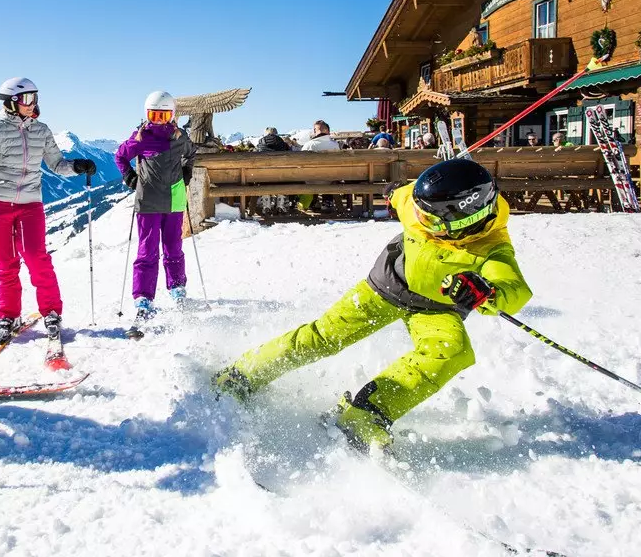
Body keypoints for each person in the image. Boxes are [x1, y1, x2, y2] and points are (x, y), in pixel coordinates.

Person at [212, 159, 532, 454]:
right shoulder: (417, 206)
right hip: (387, 286)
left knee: (450, 352)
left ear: (465, 219)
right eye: (419, 212)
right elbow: (403, 196)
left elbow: (513, 288)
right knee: (325, 334)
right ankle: (244, 374)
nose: (419, 220)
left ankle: (369, 412)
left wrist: (487, 293)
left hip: (436, 307)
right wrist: (393, 192)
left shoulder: (492, 246)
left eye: (430, 220)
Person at [0, 77, 97, 346]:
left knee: (37, 258)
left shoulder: (42, 130)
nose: (33, 103)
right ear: (11, 103)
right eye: (26, 99)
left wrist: (77, 166)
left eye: (35, 97)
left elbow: (56, 164)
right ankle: (8, 316)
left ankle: (51, 312)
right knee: (5, 263)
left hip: (30, 204)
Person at [114, 91, 197, 333]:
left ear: (172, 116)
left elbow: (191, 154)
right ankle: (143, 298)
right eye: (154, 115)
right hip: (148, 201)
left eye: (163, 115)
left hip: (174, 200)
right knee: (147, 251)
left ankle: (177, 289)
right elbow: (120, 156)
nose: (158, 120)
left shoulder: (179, 137)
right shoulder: (140, 137)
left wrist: (186, 170)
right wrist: (129, 176)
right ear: (147, 115)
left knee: (173, 248)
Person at [297, 121, 340, 212]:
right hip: (330, 180)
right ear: (328, 131)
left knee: (308, 176)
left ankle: (313, 201)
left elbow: (300, 164)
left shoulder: (308, 145)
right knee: (330, 175)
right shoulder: (335, 145)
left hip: (310, 181)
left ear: (315, 131)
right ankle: (327, 201)